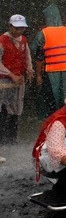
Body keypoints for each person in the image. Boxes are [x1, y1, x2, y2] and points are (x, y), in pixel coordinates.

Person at [30, 4, 66, 118]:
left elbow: (39, 57)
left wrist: (38, 75)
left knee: (52, 101)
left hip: (52, 73)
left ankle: (55, 122)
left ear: (47, 18)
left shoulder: (43, 33)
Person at [0, 15, 34, 144]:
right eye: (17, 28)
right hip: (3, 81)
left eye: (22, 28)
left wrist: (29, 71)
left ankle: (12, 139)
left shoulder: (23, 40)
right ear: (10, 27)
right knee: (3, 109)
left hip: (19, 80)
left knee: (16, 110)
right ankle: (2, 139)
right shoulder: (2, 41)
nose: (19, 31)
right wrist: (11, 75)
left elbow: (27, 56)